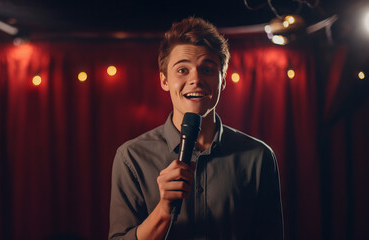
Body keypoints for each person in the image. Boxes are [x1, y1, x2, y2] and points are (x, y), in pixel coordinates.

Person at [108, 17, 284, 240]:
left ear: (222, 81)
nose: (196, 80)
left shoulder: (259, 157)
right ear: (164, 80)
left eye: (208, 70)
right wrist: (163, 211)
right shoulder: (131, 157)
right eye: (182, 70)